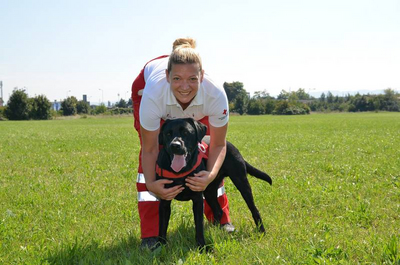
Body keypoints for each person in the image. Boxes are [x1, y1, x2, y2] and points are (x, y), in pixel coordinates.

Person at [131, 38, 234, 249]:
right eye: (177, 78)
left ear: (202, 76)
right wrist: (151, 183)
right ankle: (152, 235)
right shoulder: (153, 94)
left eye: (192, 79)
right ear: (167, 76)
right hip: (150, 95)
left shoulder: (215, 94)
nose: (185, 87)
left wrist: (210, 175)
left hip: (199, 108)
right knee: (162, 151)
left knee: (203, 153)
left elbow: (217, 145)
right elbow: (150, 149)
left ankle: (219, 218)